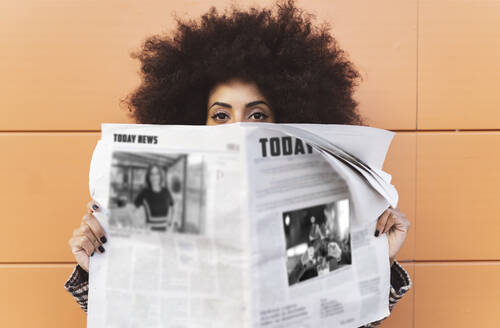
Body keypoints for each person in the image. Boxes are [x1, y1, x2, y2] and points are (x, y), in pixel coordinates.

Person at [66, 1, 411, 326]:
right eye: (220, 115)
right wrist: (95, 269)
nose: (240, 127)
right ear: (195, 123)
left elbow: (346, 320)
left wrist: (381, 258)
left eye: (257, 114)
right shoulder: (167, 201)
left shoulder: (316, 217)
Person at [132, 164, 175, 232]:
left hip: (165, 232)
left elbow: (173, 208)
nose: (154, 177)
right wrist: (140, 226)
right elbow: (132, 211)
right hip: (150, 233)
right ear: (148, 177)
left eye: (157, 173)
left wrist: (171, 224)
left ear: (160, 175)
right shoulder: (144, 192)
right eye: (151, 174)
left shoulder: (166, 191)